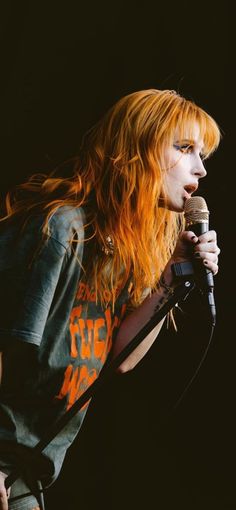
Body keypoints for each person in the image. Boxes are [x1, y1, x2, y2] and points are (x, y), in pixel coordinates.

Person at [0, 88, 221, 510]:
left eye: (203, 155)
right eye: (185, 148)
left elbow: (121, 357)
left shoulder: (120, 251)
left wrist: (173, 275)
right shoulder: (61, 230)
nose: (200, 169)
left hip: (30, 474)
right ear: (136, 151)